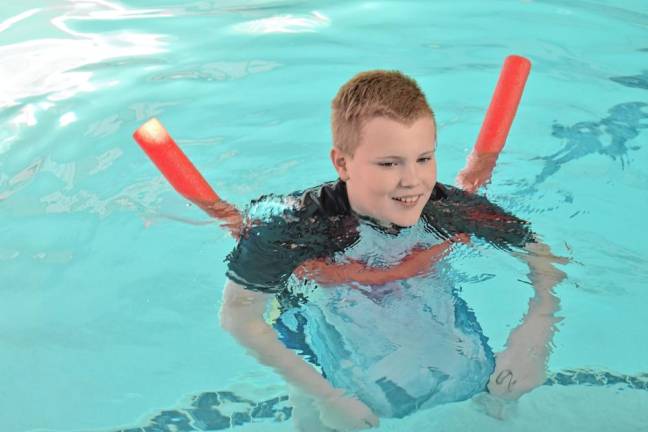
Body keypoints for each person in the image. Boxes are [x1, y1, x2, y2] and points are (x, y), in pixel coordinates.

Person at [219, 70, 567, 431]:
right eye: (389, 163)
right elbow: (238, 318)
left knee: (498, 391)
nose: (413, 182)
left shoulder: (447, 209)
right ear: (342, 163)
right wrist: (329, 397)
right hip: (314, 322)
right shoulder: (292, 229)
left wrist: (534, 339)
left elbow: (544, 260)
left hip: (422, 309)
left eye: (424, 159)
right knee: (319, 419)